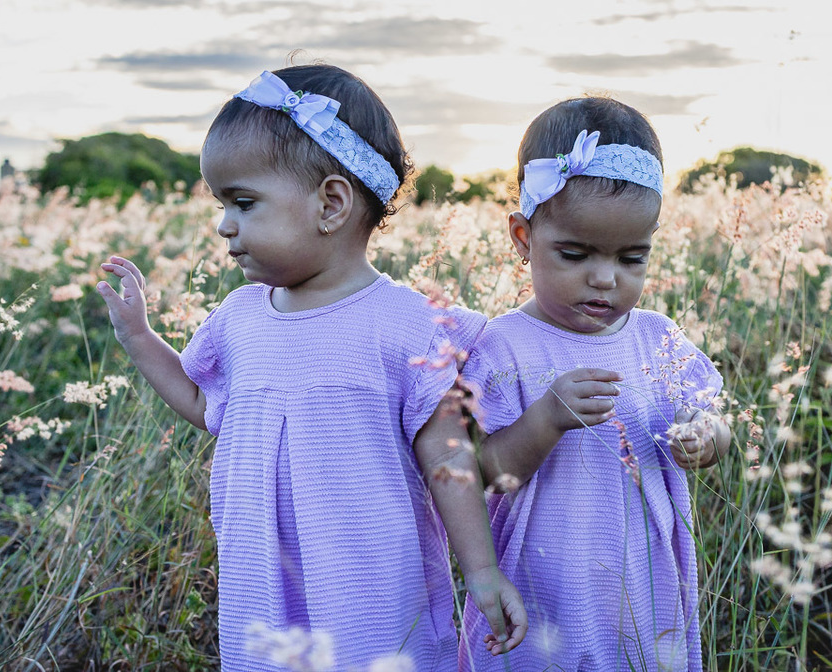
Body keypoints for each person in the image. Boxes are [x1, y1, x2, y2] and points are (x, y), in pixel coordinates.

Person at [96, 65, 526, 671]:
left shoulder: (407, 326)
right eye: (222, 204)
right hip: (260, 584)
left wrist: (481, 571)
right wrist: (140, 338)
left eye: (244, 202)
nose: (224, 225)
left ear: (331, 203)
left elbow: (449, 460)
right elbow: (201, 403)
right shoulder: (240, 318)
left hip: (372, 589)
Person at [457, 97, 731, 672]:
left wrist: (707, 437)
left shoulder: (657, 339)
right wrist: (544, 420)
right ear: (523, 237)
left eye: (632, 258)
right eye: (575, 254)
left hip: (641, 583)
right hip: (540, 585)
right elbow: (481, 471)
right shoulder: (502, 346)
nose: (605, 279)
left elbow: (713, 416)